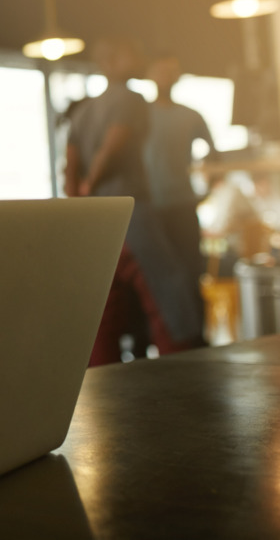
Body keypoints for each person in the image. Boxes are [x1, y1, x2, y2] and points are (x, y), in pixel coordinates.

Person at [65, 38, 205, 365]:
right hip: (131, 212)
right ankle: (189, 369)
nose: (139, 57)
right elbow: (113, 144)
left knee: (104, 307)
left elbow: (69, 161)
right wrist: (92, 183)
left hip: (97, 219)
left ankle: (102, 380)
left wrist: (79, 204)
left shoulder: (82, 109)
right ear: (111, 62)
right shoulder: (131, 98)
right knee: (169, 294)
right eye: (130, 53)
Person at [144, 56, 216, 289]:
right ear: (150, 74)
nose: (166, 76)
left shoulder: (191, 116)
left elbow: (214, 155)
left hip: (183, 204)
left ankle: (195, 326)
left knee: (191, 270)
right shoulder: (139, 115)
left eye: (171, 71)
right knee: (156, 277)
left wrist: (206, 192)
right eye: (161, 70)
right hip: (149, 207)